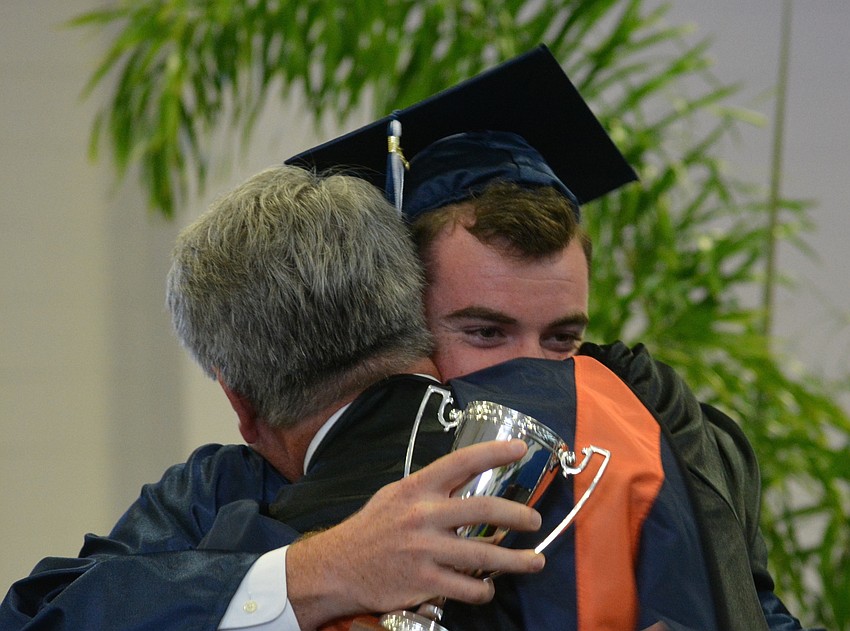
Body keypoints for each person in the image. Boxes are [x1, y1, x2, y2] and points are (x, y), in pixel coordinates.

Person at [288, 44, 819, 631]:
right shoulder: (315, 459)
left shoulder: (684, 438)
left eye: (561, 339)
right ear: (401, 323)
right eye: (487, 332)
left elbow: (761, 613)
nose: (534, 374)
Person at [0, 165, 547, 630]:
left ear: (241, 404)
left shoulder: (224, 509)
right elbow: (44, 611)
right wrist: (317, 571)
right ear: (418, 314)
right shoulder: (218, 489)